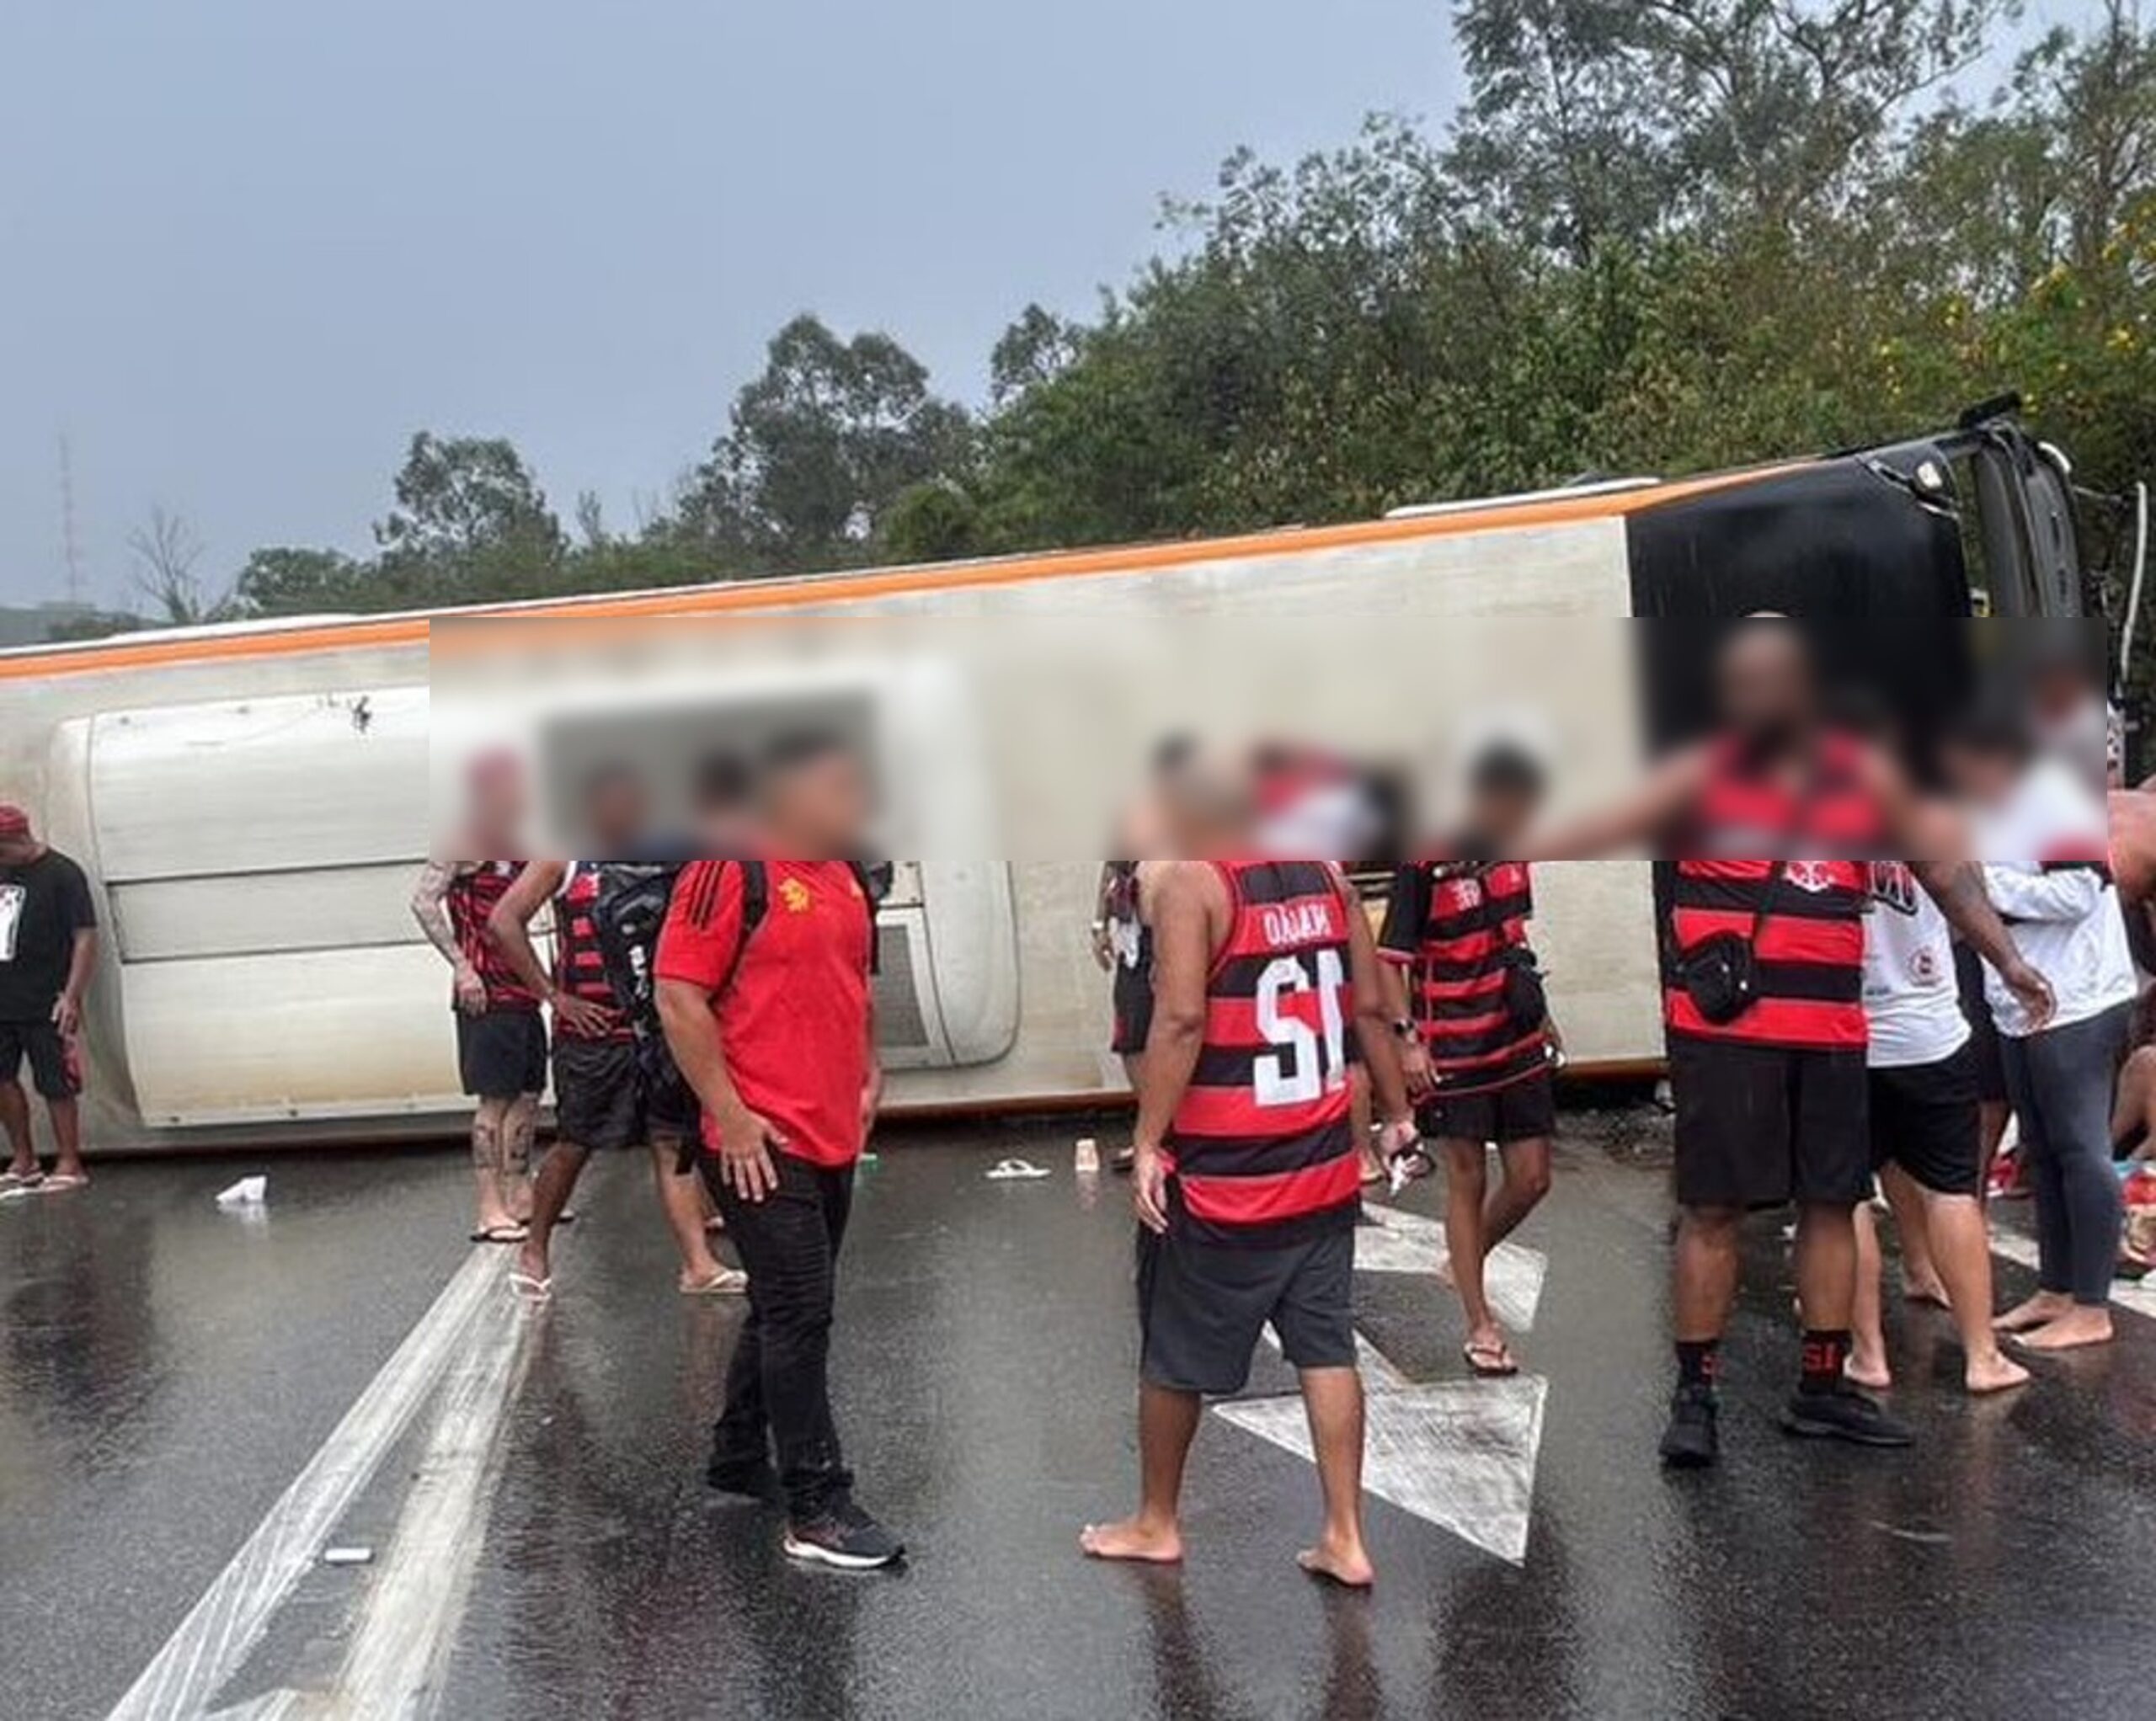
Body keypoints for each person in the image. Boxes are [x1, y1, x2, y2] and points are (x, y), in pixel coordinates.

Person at [1517, 619, 2052, 1467]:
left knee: (1832, 1203)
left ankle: (1821, 1387)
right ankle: (1694, 1397)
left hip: (1831, 1030)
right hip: (1727, 1034)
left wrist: (2011, 959)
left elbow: (1945, 871)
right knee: (1714, 1208)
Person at [1082, 763, 1415, 1587]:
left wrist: (1150, 1138)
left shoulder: (1191, 878)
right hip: (1316, 1158)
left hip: (1225, 1168)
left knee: (1172, 1351)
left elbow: (1182, 1015)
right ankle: (1344, 1532)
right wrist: (1396, 1113)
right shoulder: (1324, 871)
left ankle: (1156, 1519)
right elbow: (1370, 1006)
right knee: (1325, 1346)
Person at [656, 732, 898, 1570]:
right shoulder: (729, 869)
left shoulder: (843, 876)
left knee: (782, 1304)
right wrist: (731, 1110)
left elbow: (856, 984)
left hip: (829, 1128)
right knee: (801, 1307)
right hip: (755, 1137)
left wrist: (870, 1066)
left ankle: (734, 1456)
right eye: (842, 787)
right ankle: (816, 1503)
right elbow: (678, 995)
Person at [484, 767, 746, 1301]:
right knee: (577, 1142)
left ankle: (698, 1264)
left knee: (671, 1139)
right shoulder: (567, 854)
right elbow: (503, 920)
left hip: (658, 1024)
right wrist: (552, 995)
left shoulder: (669, 853)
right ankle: (535, 1249)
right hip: (594, 1030)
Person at [1947, 704, 2137, 1352]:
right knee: (2043, 1150)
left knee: (2083, 1147)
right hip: (2019, 1000)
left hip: (2078, 998)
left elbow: (2080, 891)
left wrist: (1984, 887)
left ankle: (2093, 1304)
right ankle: (2056, 1288)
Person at [1375, 739, 1557, 1378]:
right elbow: (1390, 962)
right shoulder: (1423, 860)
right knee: (1466, 1179)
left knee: (1533, 1177)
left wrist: (1544, 1016)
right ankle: (1480, 1324)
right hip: (1452, 1045)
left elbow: (1515, 935)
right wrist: (1407, 1041)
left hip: (1515, 1037)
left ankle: (1466, 1255)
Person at [1848, 840, 2030, 1395]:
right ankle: (1983, 1355)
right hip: (1926, 1024)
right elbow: (1963, 892)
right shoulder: (1927, 797)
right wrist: (2011, 964)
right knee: (1951, 1189)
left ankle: (1868, 1354)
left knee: (1843, 1195)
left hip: (1840, 1026)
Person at [411, 754, 544, 1244]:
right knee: (496, 1099)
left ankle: (520, 1194)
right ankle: (489, 1207)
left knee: (529, 1093)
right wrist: (461, 966)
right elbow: (423, 901)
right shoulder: (464, 840)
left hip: (524, 985)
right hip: (485, 991)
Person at [0, 805, 98, 1195]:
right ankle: (24, 1160)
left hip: (47, 997)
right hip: (3, 995)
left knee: (56, 1082)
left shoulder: (62, 874)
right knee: (2, 1078)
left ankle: (69, 1161)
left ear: (15, 841)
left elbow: (85, 936)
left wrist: (72, 995)